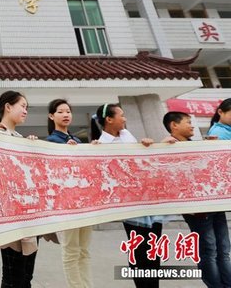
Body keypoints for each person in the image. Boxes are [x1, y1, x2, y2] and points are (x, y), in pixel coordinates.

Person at [91, 103, 164, 288]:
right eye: (121, 115)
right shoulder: (101, 145)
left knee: (153, 250)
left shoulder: (127, 135)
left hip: (148, 201)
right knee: (139, 250)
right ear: (109, 119)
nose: (125, 119)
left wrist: (145, 144)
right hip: (130, 206)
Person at [163, 111, 231, 288]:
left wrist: (212, 147)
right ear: (174, 125)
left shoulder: (196, 144)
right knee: (209, 251)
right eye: (188, 122)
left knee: (224, 249)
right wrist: (161, 146)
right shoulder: (168, 147)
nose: (192, 126)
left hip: (214, 204)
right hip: (198, 210)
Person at [0, 91, 39, 288]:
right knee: (13, 278)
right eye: (22, 106)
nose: (25, 111)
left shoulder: (20, 138)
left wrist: (32, 148)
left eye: (27, 107)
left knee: (26, 277)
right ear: (8, 107)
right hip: (10, 218)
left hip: (29, 215)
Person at [46, 99, 93, 288]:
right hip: (66, 203)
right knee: (71, 250)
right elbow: (53, 173)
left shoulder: (78, 141)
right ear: (51, 116)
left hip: (84, 202)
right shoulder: (51, 142)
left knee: (84, 251)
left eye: (68, 111)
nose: (66, 115)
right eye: (60, 112)